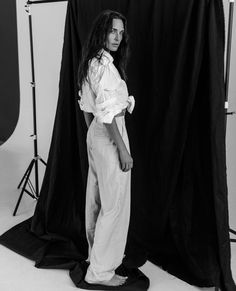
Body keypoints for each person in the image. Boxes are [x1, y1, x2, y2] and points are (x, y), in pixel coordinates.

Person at [77, 9, 135, 287]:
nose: (117, 36)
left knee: (97, 201)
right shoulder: (105, 66)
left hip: (97, 134)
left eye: (121, 32)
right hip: (111, 134)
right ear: (102, 31)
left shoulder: (93, 61)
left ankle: (95, 259)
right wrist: (122, 149)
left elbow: (88, 108)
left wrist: (94, 131)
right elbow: (109, 114)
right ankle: (100, 273)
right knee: (114, 205)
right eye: (113, 30)